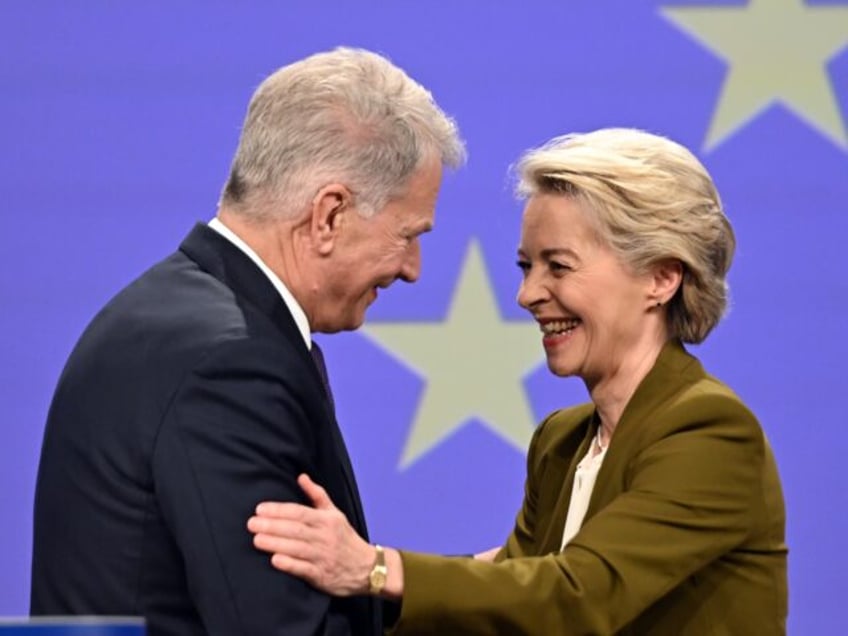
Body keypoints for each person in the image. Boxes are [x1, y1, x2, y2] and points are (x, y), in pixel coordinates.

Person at [247, 128, 788, 634]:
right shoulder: (563, 440)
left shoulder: (709, 432)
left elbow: (578, 596)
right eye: (526, 266)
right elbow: (508, 597)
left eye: (558, 266)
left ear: (661, 278)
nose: (528, 294)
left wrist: (373, 568)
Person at [30, 47, 465, 635]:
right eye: (408, 235)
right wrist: (480, 610)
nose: (412, 268)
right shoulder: (230, 363)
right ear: (329, 215)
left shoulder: (171, 313)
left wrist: (461, 587)